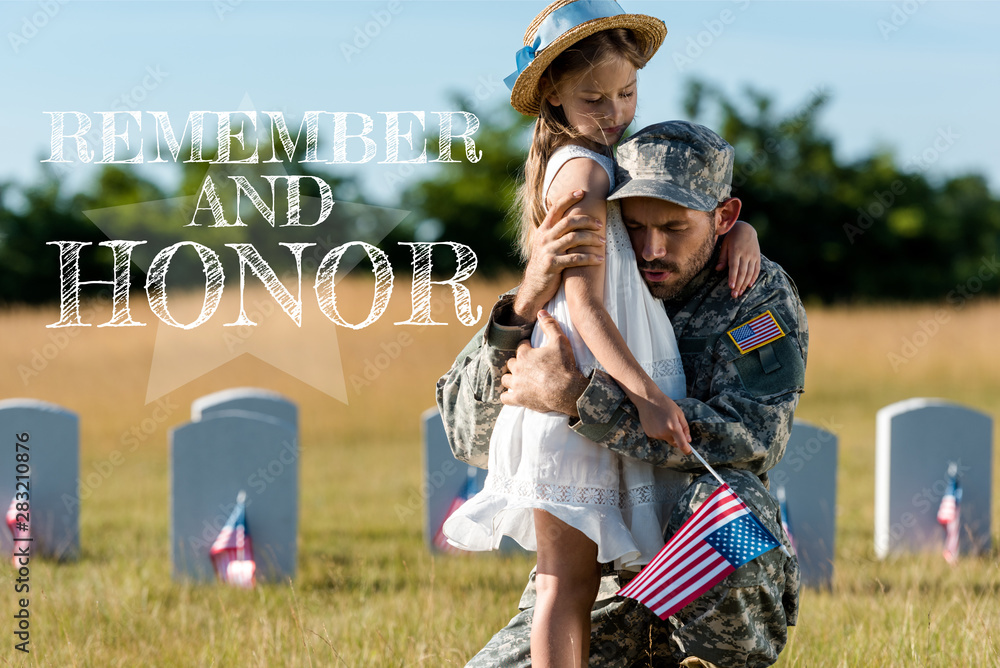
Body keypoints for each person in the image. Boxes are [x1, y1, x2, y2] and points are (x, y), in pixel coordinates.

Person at [441, 2, 761, 666]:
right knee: (568, 579)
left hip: (597, 385)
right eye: (595, 97)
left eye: (628, 91)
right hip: (581, 385)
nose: (615, 109)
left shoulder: (601, 162)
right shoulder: (585, 171)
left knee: (579, 578)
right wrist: (645, 395)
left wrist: (744, 230)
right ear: (553, 92)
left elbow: (688, 207)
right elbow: (586, 308)